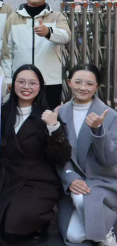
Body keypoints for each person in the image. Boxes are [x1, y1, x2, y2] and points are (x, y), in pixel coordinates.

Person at [0, 64, 71, 245]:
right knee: (1, 228)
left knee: (13, 227)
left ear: (40, 86)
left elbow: (61, 157)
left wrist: (54, 128)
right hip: (6, 177)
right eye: (21, 82)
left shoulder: (48, 116)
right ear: (13, 84)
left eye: (33, 83)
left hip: (38, 180)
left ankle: (41, 222)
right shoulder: (1, 112)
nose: (26, 87)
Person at [56, 64, 117, 246]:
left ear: (97, 87)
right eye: (78, 82)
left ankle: (106, 235)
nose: (83, 88)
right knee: (74, 236)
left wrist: (98, 130)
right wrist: (70, 178)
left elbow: (110, 159)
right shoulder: (60, 113)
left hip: (102, 180)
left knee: (81, 196)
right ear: (69, 83)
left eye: (90, 84)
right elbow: (57, 154)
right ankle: (105, 228)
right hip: (73, 181)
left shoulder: (111, 115)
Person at [1, 0, 71, 108]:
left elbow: (66, 37)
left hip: (50, 81)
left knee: (48, 117)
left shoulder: (57, 16)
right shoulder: (13, 18)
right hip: (22, 81)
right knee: (22, 116)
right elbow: (6, 52)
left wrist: (48, 32)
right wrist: (9, 78)